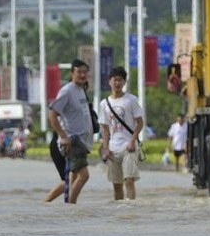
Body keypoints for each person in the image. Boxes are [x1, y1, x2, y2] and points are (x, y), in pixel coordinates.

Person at [48, 59, 94, 204]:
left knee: (71, 178)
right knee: (84, 176)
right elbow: (52, 114)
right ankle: (70, 206)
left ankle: (57, 205)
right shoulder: (67, 90)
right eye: (79, 72)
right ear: (72, 73)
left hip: (82, 141)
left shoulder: (81, 90)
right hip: (73, 140)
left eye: (84, 72)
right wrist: (63, 136)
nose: (82, 75)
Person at [98, 66, 145, 200]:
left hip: (129, 147)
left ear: (124, 82)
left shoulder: (131, 100)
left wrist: (133, 140)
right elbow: (105, 128)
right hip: (113, 148)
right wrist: (105, 147)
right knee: (117, 185)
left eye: (120, 80)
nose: (117, 83)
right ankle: (119, 213)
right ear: (109, 81)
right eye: (115, 80)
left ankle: (130, 211)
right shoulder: (104, 104)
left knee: (129, 180)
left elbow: (140, 122)